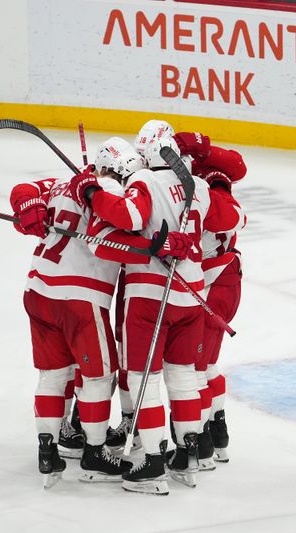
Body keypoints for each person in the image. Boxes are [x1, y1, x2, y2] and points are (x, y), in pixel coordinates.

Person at [73, 122, 244, 494]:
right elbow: (233, 219)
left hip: (151, 296)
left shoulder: (145, 182)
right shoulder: (196, 187)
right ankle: (188, 456)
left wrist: (90, 193)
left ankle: (151, 462)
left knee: (144, 379)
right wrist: (217, 184)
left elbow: (129, 217)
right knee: (183, 376)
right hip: (191, 294)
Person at [10, 137, 190, 487]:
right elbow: (105, 240)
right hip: (80, 298)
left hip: (38, 291)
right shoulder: (111, 191)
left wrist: (27, 206)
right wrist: (158, 246)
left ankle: (48, 450)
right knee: (98, 376)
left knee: (53, 373)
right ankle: (94, 453)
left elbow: (27, 188)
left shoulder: (64, 183)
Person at [173, 131, 248, 468]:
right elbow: (235, 166)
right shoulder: (227, 200)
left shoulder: (203, 199)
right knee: (209, 363)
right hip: (228, 279)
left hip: (212, 284)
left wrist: (200, 151)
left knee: (196, 368)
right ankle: (218, 432)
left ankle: (200, 440)